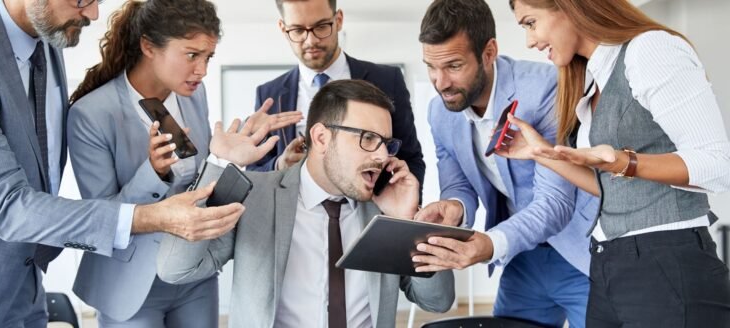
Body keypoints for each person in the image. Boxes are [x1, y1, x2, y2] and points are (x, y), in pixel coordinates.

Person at [0, 0, 246, 326]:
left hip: (32, 283)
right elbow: (8, 206)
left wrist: (225, 157)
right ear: (149, 47)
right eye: (82, 0)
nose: (94, 13)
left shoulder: (45, 43)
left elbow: (190, 177)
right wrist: (153, 197)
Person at [500, 0, 730, 326]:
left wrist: (623, 162)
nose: (530, 41)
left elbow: (718, 164)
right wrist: (541, 153)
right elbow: (609, 185)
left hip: (666, 262)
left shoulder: (649, 49)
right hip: (608, 264)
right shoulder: (592, 81)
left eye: (530, 22)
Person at [157, 80, 455, 328]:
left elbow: (437, 301)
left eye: (385, 143)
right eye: (367, 138)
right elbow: (176, 269)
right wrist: (220, 162)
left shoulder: (385, 206)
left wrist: (409, 222)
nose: (381, 155)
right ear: (322, 138)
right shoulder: (256, 196)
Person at [410, 0, 598, 326]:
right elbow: (460, 183)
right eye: (430, 66)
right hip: (521, 257)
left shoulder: (545, 90)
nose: (440, 82)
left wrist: (489, 245)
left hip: (580, 252)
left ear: (489, 52)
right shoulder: (439, 112)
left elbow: (555, 202)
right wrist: (455, 206)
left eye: (454, 66)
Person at [247, 0, 425, 194]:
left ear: (338, 20)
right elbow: (254, 174)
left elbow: (411, 158)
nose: (311, 41)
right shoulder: (269, 95)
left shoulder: (387, 80)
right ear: (283, 28)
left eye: (321, 27)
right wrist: (280, 165)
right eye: (298, 30)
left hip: (370, 211)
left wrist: (401, 214)